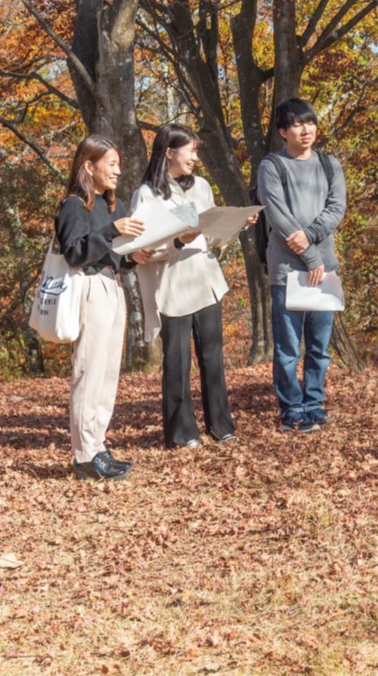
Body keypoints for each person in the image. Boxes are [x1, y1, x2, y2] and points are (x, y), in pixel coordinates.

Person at [131, 124, 258, 449]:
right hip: (172, 285)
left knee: (213, 358)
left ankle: (220, 425)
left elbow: (213, 236)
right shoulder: (146, 194)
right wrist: (176, 239)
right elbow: (141, 248)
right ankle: (182, 433)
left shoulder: (200, 186)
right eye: (191, 151)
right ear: (169, 152)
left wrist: (237, 224)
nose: (195, 158)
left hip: (206, 280)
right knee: (177, 362)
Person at [54, 136, 150, 481]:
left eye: (119, 165)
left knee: (108, 374)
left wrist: (133, 257)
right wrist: (112, 231)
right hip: (88, 289)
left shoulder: (115, 206)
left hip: (113, 285)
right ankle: (83, 457)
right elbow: (75, 253)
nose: (118, 171)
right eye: (111, 164)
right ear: (89, 166)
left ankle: (97, 445)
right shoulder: (74, 206)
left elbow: (115, 257)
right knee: (89, 371)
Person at [256, 98, 347, 433]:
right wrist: (308, 254)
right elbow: (278, 215)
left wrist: (309, 240)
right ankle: (291, 408)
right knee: (288, 347)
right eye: (297, 124)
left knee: (320, 346)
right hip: (288, 270)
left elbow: (337, 208)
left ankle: (313, 402)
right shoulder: (272, 166)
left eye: (309, 122)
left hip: (326, 269)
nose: (305, 129)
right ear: (283, 131)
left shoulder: (329, 165)